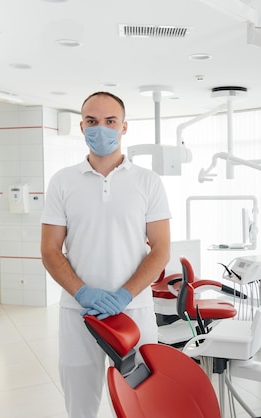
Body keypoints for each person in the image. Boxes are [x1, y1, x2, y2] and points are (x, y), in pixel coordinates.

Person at [40, 91, 171, 418]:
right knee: (80, 406)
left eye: (110, 121)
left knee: (141, 402)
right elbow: (49, 249)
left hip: (136, 311)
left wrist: (125, 294)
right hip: (77, 314)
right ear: (82, 127)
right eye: (92, 121)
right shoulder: (62, 182)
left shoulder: (148, 182)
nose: (101, 128)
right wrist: (81, 292)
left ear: (124, 127)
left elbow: (161, 249)